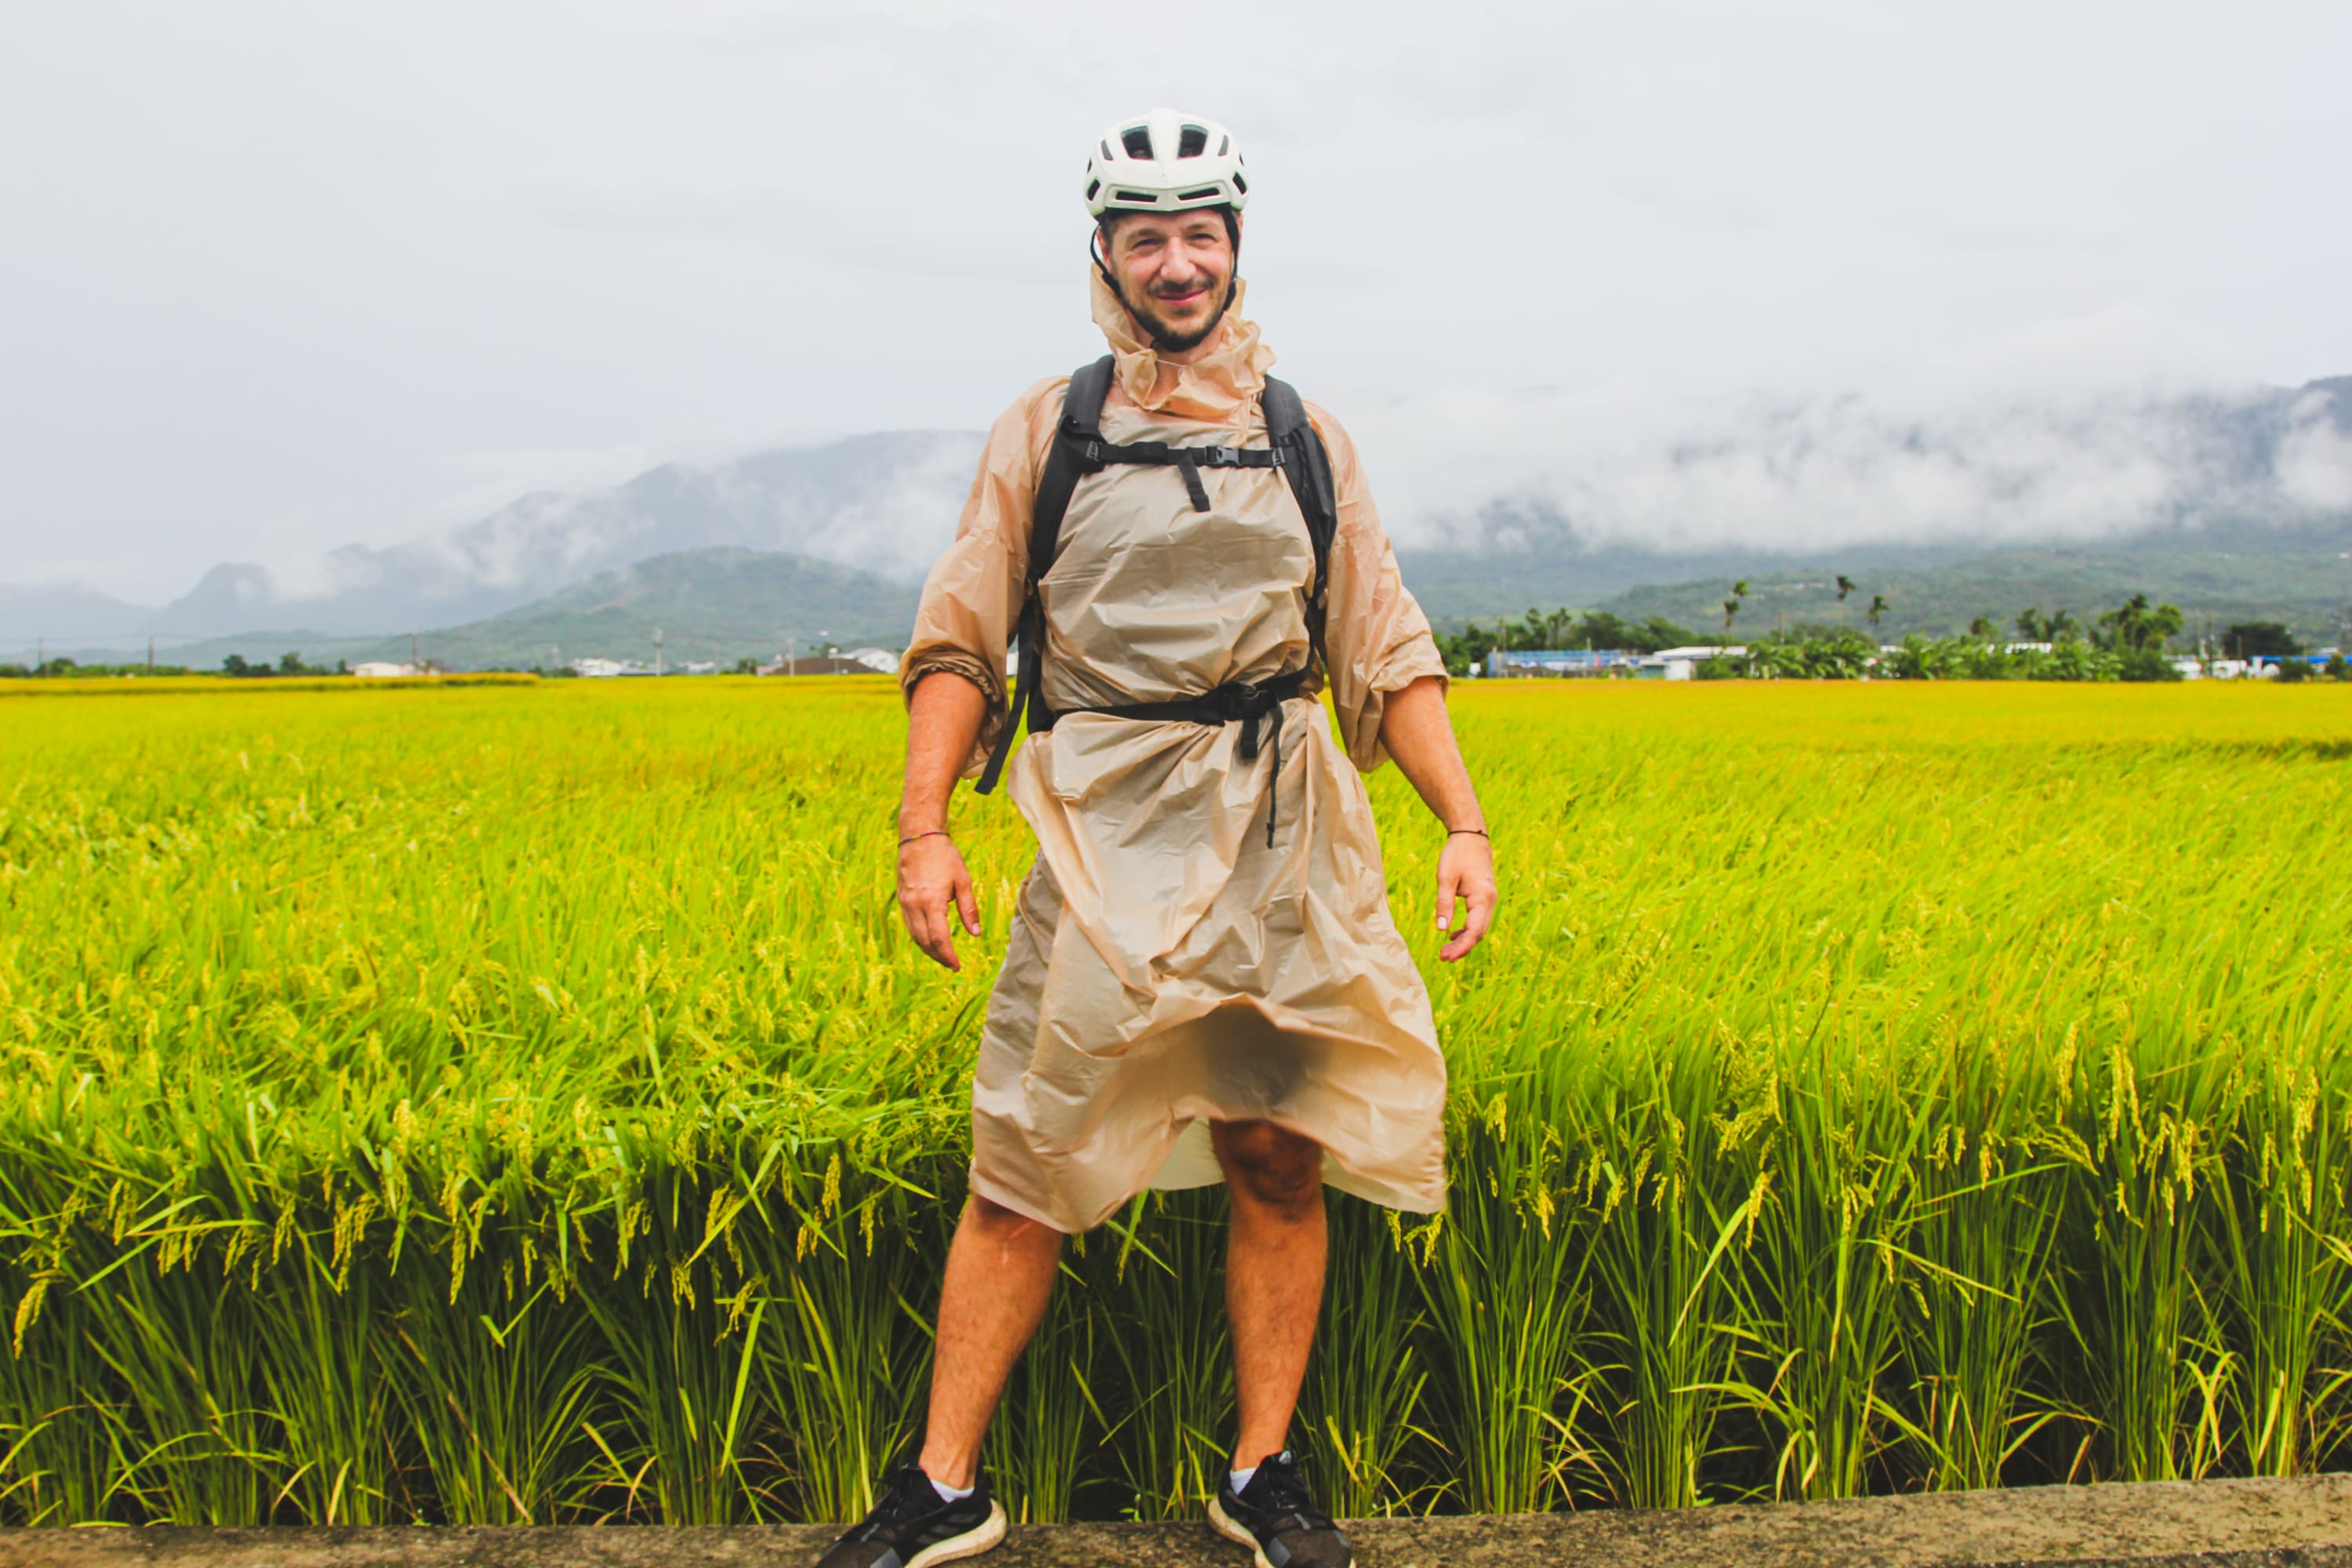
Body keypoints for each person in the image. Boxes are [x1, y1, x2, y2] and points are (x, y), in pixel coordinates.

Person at [817, 107, 1497, 1568]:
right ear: (1105, 257)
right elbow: (960, 645)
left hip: (1281, 821)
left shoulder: (1306, 436)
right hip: (1099, 821)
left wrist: (1464, 822)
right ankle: (943, 1489)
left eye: (1201, 235)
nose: (1177, 263)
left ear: (1236, 250)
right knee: (1029, 1154)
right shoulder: (1046, 431)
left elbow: (1382, 643)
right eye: (1147, 238)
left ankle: (1262, 1476)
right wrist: (922, 828)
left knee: (1274, 1145)